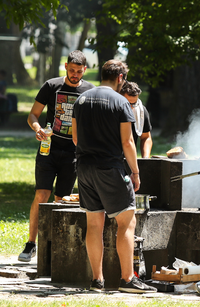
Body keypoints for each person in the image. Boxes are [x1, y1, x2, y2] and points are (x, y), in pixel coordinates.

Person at [72, 59, 157, 293]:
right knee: (127, 222)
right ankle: (127, 279)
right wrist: (136, 171)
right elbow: (128, 142)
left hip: (84, 169)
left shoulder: (82, 98)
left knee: (94, 225)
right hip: (110, 168)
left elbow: (76, 139)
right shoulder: (120, 102)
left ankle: (97, 280)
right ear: (120, 78)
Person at [19, 50, 95, 262]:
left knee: (62, 200)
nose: (75, 75)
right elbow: (33, 114)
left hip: (73, 153)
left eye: (79, 72)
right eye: (72, 70)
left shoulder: (90, 90)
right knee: (41, 195)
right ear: (65, 67)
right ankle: (31, 244)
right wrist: (37, 128)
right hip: (48, 149)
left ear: (84, 70)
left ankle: (54, 247)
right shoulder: (51, 86)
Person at [119, 81, 153, 158]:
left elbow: (146, 137)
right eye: (128, 104)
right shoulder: (111, 109)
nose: (131, 107)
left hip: (129, 158)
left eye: (134, 104)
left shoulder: (140, 111)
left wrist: (145, 159)